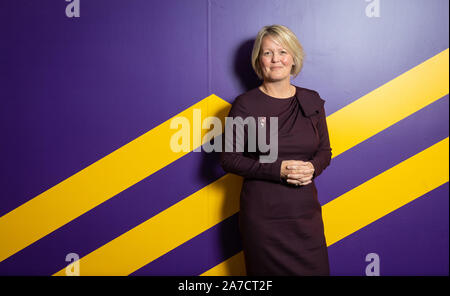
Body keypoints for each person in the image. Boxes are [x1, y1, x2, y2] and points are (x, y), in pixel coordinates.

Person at [220, 24, 332, 276]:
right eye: (268, 53)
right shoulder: (245, 105)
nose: (275, 59)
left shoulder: (312, 100)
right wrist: (277, 170)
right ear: (259, 60)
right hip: (263, 220)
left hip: (305, 216)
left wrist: (313, 167)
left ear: (293, 58)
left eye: (282, 52)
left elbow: (325, 151)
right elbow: (229, 159)